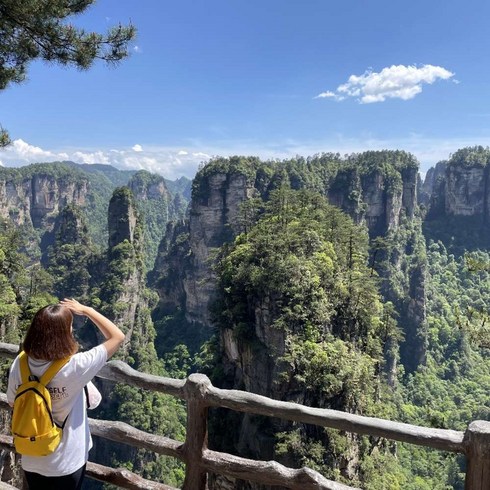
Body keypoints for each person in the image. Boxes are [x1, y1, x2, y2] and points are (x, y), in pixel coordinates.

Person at [7, 298, 125, 490]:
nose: (72, 331)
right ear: (63, 334)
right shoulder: (76, 365)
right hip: (67, 462)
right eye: (70, 327)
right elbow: (117, 336)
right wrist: (86, 310)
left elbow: (13, 402)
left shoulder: (20, 364)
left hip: (31, 456)